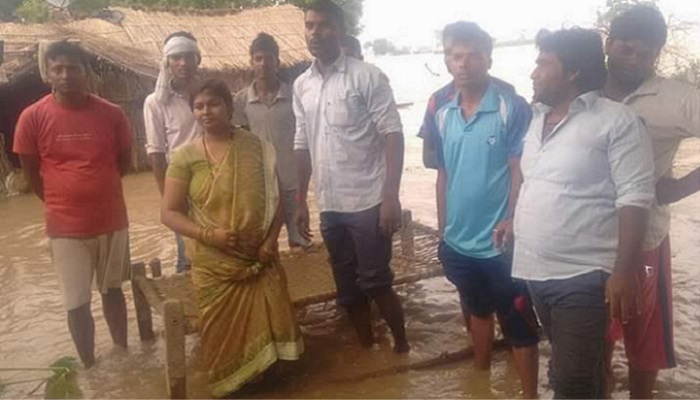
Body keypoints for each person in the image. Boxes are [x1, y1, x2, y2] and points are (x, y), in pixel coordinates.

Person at [512, 28, 656, 399]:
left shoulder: (617, 121)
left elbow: (635, 198)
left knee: (573, 383)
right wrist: (512, 222)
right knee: (572, 371)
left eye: (544, 63)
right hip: (534, 270)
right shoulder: (534, 119)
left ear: (572, 71)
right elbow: (533, 183)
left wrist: (623, 270)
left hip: (584, 275)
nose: (534, 72)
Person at [161, 79, 304, 397]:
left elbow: (276, 199)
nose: (205, 112)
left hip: (260, 257)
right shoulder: (184, 157)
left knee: (272, 356)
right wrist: (209, 236)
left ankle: (266, 377)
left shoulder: (255, 147)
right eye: (198, 106)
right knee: (221, 335)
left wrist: (269, 242)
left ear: (229, 107)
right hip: (215, 267)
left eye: (213, 104)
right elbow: (169, 213)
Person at [422, 21, 539, 397]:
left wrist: (512, 220)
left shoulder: (511, 106)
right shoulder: (440, 107)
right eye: (456, 56)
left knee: (518, 323)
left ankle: (530, 394)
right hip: (459, 241)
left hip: (501, 243)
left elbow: (519, 170)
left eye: (473, 55)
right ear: (446, 60)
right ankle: (481, 384)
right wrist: (444, 232)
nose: (464, 63)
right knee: (477, 313)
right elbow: (443, 175)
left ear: (488, 58)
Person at [294, 0, 409, 353]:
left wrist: (390, 196)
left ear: (339, 30)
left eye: (323, 25)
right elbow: (302, 142)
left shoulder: (367, 76)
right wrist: (300, 200)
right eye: (310, 25)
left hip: (368, 200)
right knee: (347, 289)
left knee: (376, 282)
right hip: (330, 204)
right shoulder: (302, 84)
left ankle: (402, 348)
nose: (316, 32)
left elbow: (393, 134)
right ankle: (368, 350)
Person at [13, 41, 133, 368]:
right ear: (48, 74)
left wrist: (98, 188)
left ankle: (123, 355)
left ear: (87, 72)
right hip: (65, 226)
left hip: (112, 219)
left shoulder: (112, 113)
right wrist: (62, 198)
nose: (66, 75)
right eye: (58, 69)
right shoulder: (32, 117)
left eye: (74, 68)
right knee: (76, 302)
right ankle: (90, 368)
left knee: (113, 291)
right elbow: (30, 171)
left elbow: (123, 162)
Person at [602, 5, 700, 398]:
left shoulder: (676, 99)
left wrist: (679, 188)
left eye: (646, 52)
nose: (635, 59)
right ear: (609, 43)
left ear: (658, 53)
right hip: (586, 244)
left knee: (645, 350)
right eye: (627, 48)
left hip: (644, 244)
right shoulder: (584, 92)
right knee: (596, 346)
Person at [233, 33, 310, 250]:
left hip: (294, 185)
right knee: (266, 248)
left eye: (269, 58)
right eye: (258, 58)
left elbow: (306, 139)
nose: (263, 64)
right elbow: (241, 145)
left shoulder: (295, 96)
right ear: (251, 62)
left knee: (300, 244)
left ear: (277, 62)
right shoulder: (241, 101)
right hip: (263, 188)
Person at [144, 31, 202, 273]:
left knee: (218, 246)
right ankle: (189, 308)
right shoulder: (156, 102)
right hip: (182, 184)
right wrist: (168, 199)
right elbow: (157, 154)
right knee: (187, 253)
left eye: (189, 57)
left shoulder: (206, 94)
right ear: (167, 62)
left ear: (197, 60)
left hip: (216, 180)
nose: (183, 63)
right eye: (176, 57)